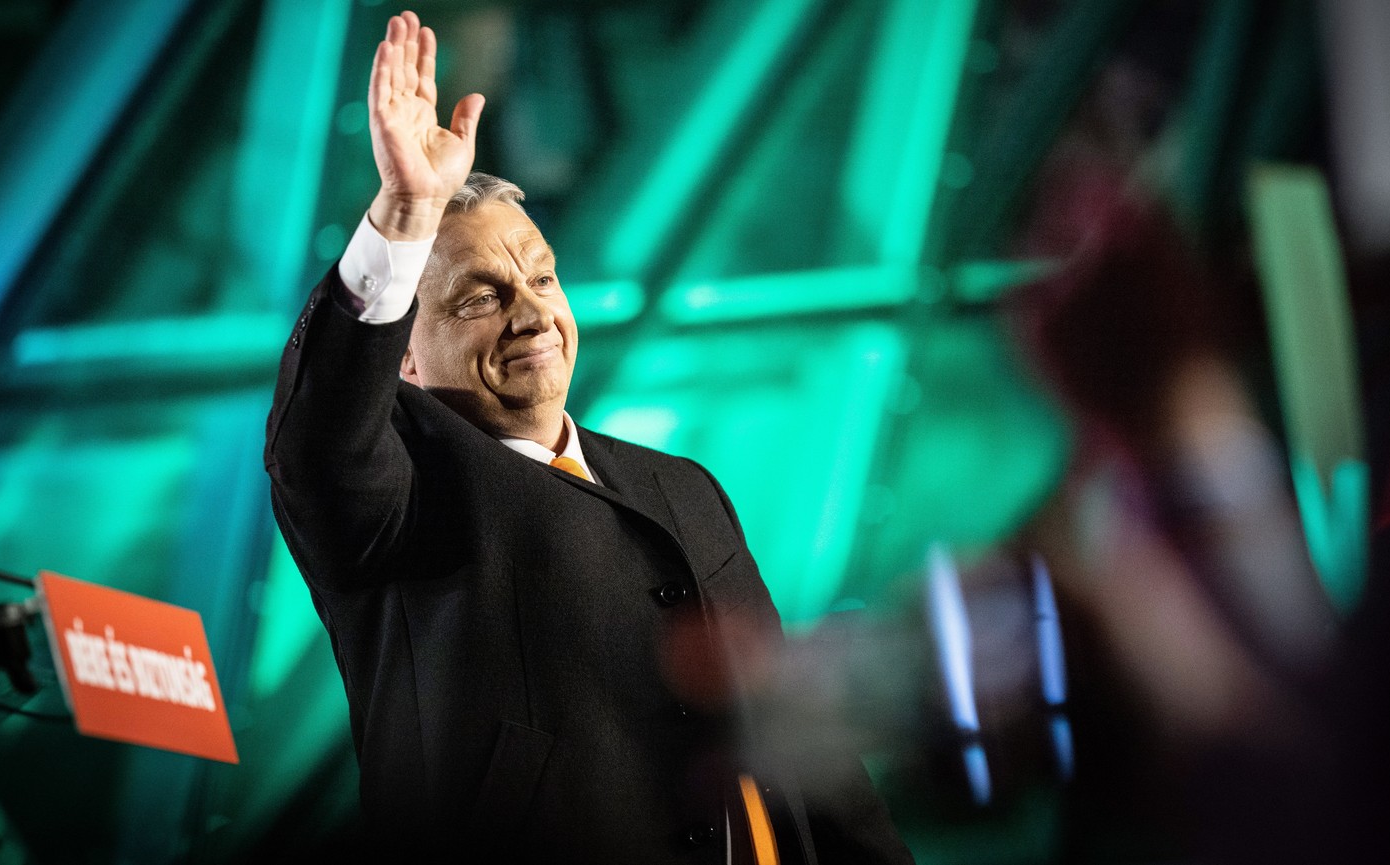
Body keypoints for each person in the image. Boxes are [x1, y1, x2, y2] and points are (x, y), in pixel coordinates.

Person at [264, 11, 913, 863]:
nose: (533, 312)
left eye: (540, 276)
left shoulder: (683, 486)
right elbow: (320, 437)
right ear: (407, 361)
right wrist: (405, 211)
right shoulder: (395, 499)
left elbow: (796, 735)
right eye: (481, 297)